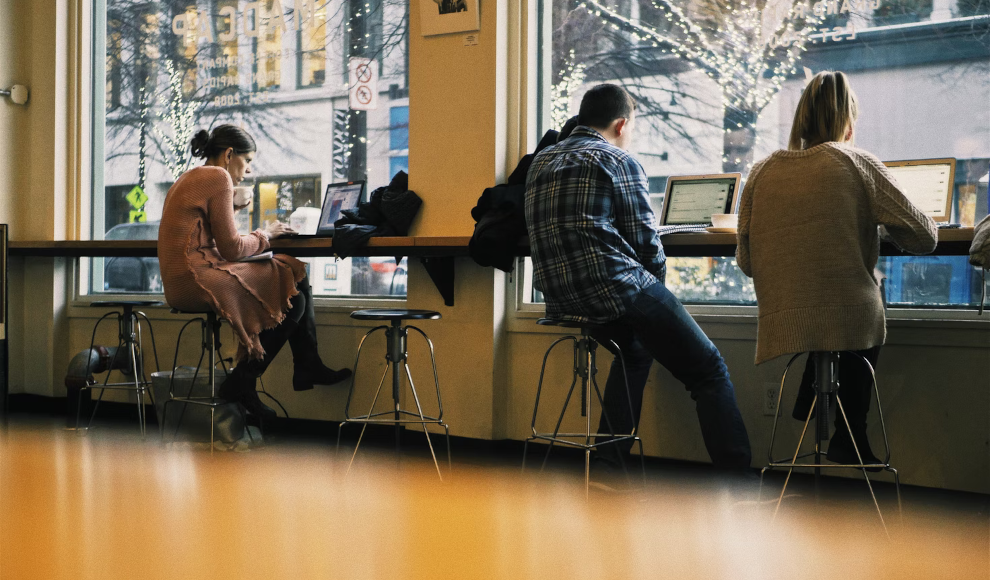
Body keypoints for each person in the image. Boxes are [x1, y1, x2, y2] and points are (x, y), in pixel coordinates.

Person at [525, 84, 753, 479]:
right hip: (614, 288)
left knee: (635, 350)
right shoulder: (617, 160)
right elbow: (646, 245)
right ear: (620, 123)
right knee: (708, 369)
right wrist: (657, 293)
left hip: (562, 297)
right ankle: (740, 480)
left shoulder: (541, 161)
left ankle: (608, 466)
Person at [736, 71, 937, 466]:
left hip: (784, 315)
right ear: (848, 119)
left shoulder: (761, 171)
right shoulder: (857, 162)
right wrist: (872, 226)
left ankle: (812, 399)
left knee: (825, 309)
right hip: (849, 315)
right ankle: (851, 432)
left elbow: (746, 261)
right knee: (864, 298)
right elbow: (924, 237)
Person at [158, 125, 351, 418]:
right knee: (293, 285)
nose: (247, 171)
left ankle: (301, 367)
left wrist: (233, 209)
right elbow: (232, 249)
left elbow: (209, 240)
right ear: (229, 154)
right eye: (247, 161)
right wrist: (268, 233)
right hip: (197, 279)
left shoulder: (190, 177)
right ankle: (245, 381)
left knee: (290, 272)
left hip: (180, 280)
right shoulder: (218, 176)